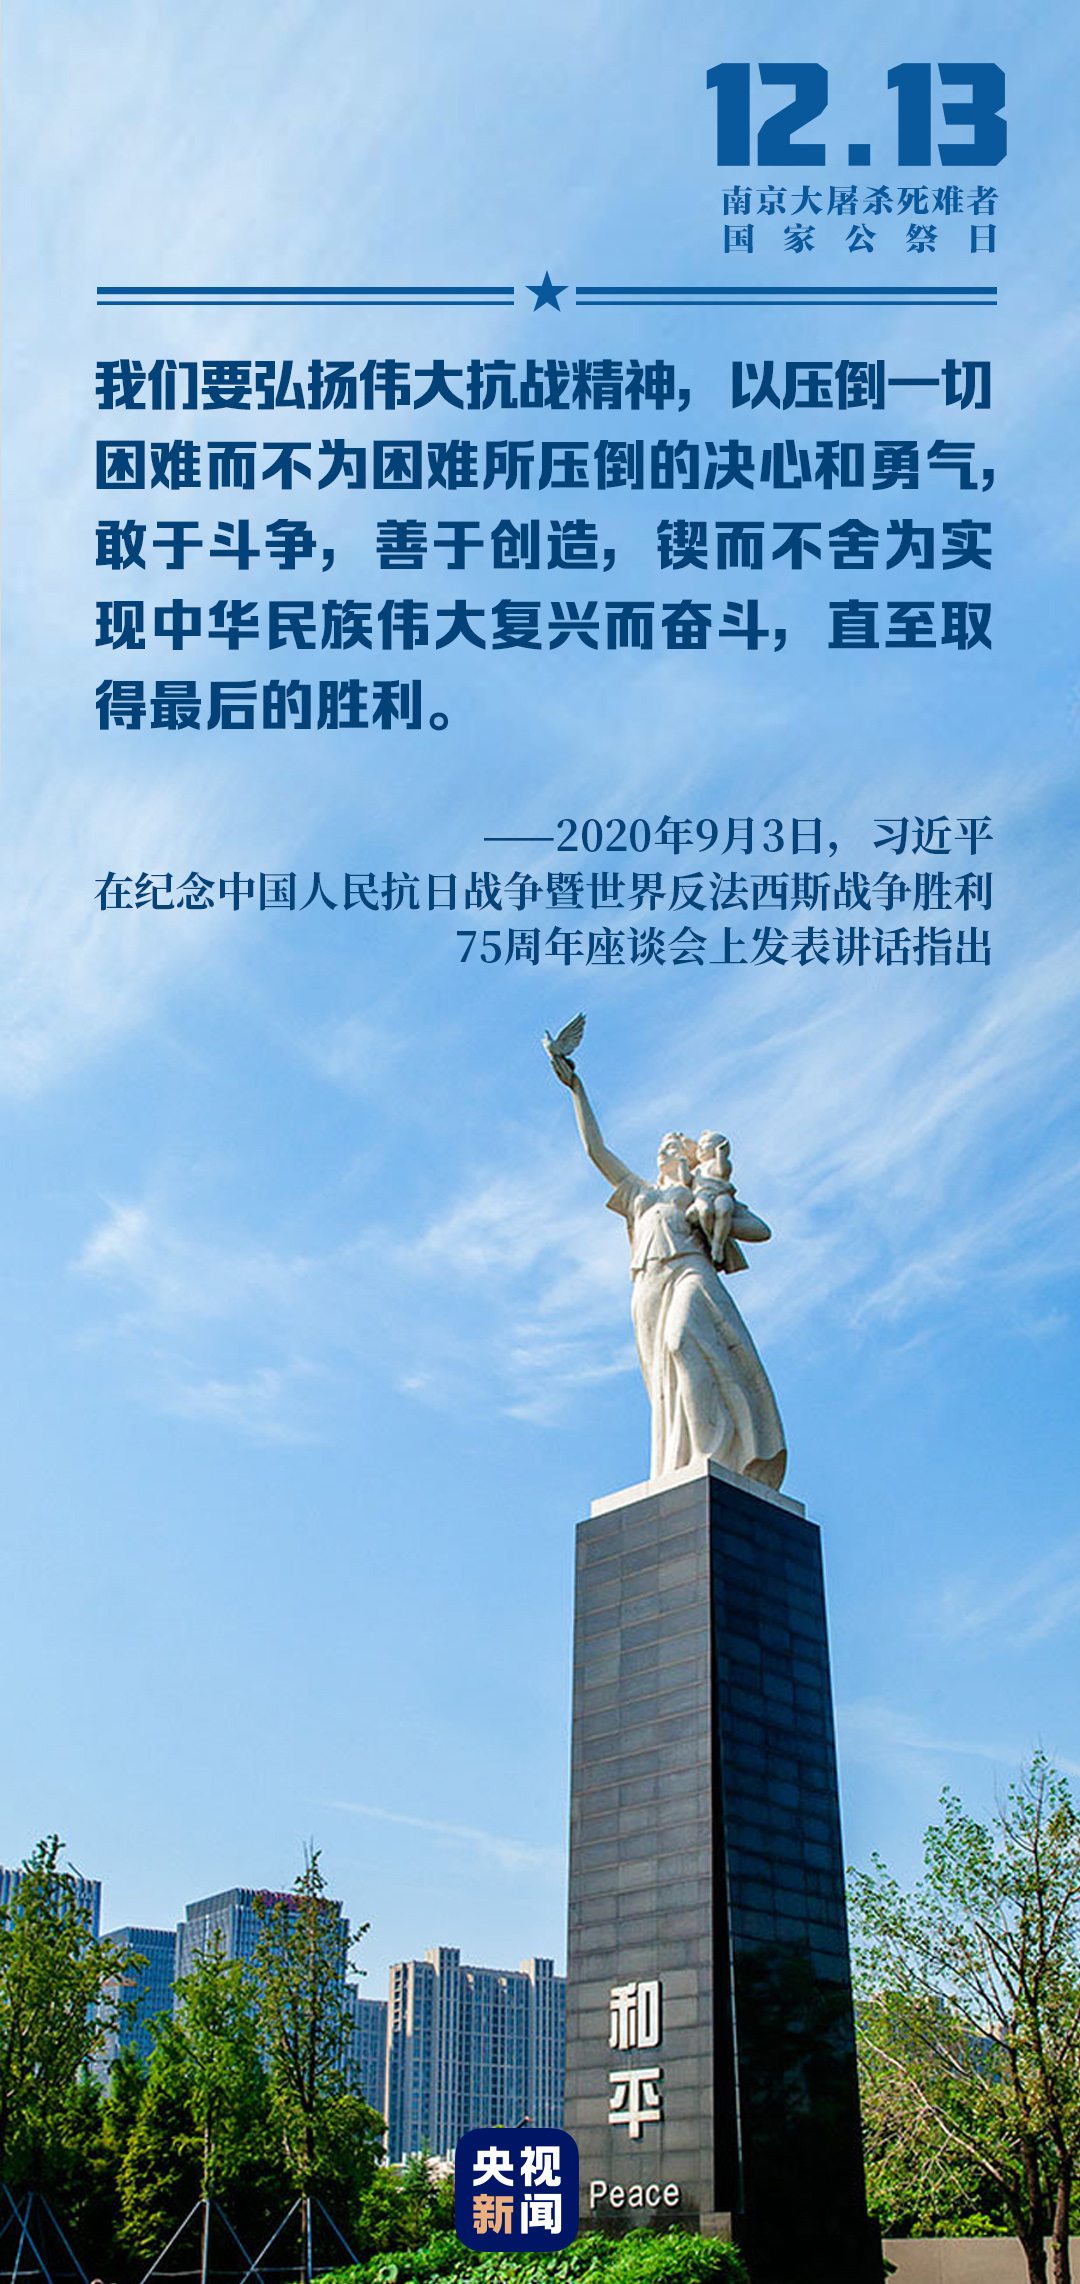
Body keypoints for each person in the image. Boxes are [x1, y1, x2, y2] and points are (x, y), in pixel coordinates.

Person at [548, 1059, 787, 1489]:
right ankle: (681, 1462)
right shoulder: (639, 1194)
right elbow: (596, 1151)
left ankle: (712, 1451)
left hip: (690, 1271)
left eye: (674, 1145)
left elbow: (760, 1231)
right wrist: (576, 1088)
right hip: (648, 1284)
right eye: (661, 1146)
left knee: (681, 1338)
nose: (664, 1150)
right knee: (663, 1381)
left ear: (688, 1157)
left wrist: (715, 1210)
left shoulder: (699, 1193)